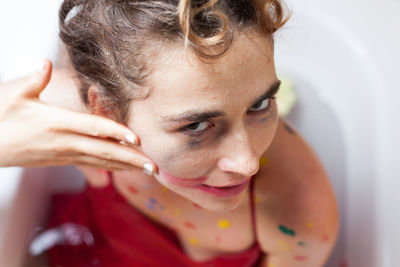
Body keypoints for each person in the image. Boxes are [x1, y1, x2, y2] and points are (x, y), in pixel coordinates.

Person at [35, 0, 338, 266]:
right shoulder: (76, 119)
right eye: (196, 126)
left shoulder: (299, 217)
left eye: (259, 104)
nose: (248, 163)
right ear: (105, 111)